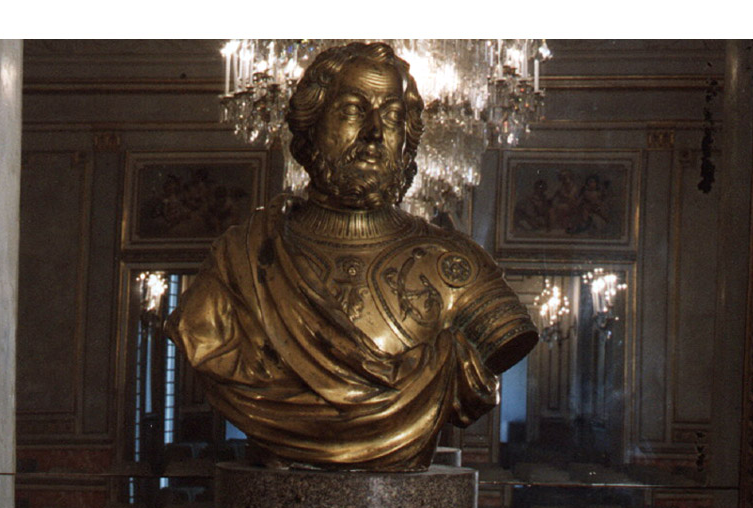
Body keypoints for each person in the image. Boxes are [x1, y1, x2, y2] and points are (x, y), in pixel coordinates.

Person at [165, 41, 537, 470]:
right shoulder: (242, 258)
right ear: (309, 126)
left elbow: (503, 341)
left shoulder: (459, 270)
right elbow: (206, 345)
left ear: (407, 138)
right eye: (353, 111)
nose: (375, 133)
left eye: (394, 116)